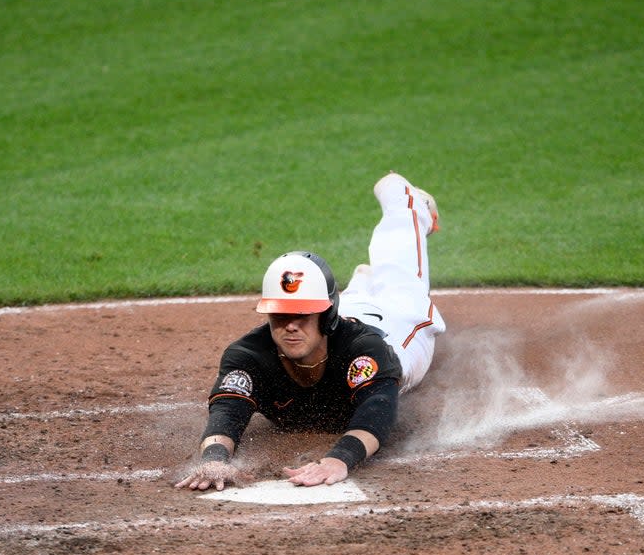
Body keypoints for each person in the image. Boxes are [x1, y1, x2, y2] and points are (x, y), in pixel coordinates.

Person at [175, 172, 444, 492]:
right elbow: (227, 412)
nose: (290, 324)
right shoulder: (248, 356)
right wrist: (216, 457)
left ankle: (405, 204)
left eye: (302, 315)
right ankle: (362, 283)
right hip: (344, 312)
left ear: (326, 315)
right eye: (280, 314)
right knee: (363, 295)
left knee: (403, 285)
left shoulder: (368, 351)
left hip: (393, 326)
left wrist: (340, 459)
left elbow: (377, 412)